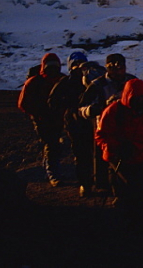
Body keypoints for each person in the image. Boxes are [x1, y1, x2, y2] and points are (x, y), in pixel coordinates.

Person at [95, 78, 143, 229]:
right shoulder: (114, 110)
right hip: (118, 158)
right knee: (124, 192)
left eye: (142, 98)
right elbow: (101, 135)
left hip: (140, 156)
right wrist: (116, 147)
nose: (140, 101)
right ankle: (128, 221)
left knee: (138, 190)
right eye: (137, 98)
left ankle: (137, 222)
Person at [79, 53, 138, 192]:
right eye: (112, 67)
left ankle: (125, 189)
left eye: (120, 67)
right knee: (104, 157)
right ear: (106, 67)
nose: (116, 71)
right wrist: (91, 110)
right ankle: (103, 185)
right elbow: (81, 106)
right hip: (105, 127)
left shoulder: (132, 81)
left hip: (130, 126)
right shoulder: (98, 85)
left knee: (129, 157)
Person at [48, 51, 96, 197]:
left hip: (93, 119)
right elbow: (52, 102)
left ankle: (100, 182)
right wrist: (69, 106)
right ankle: (85, 183)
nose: (78, 67)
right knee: (82, 153)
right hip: (76, 122)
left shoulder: (91, 80)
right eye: (75, 64)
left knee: (99, 152)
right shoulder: (67, 82)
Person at [18, 52, 67, 186]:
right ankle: (53, 174)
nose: (52, 69)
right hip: (43, 120)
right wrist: (39, 114)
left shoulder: (62, 80)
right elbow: (23, 104)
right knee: (52, 144)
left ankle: (51, 170)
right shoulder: (35, 82)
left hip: (58, 118)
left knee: (54, 144)